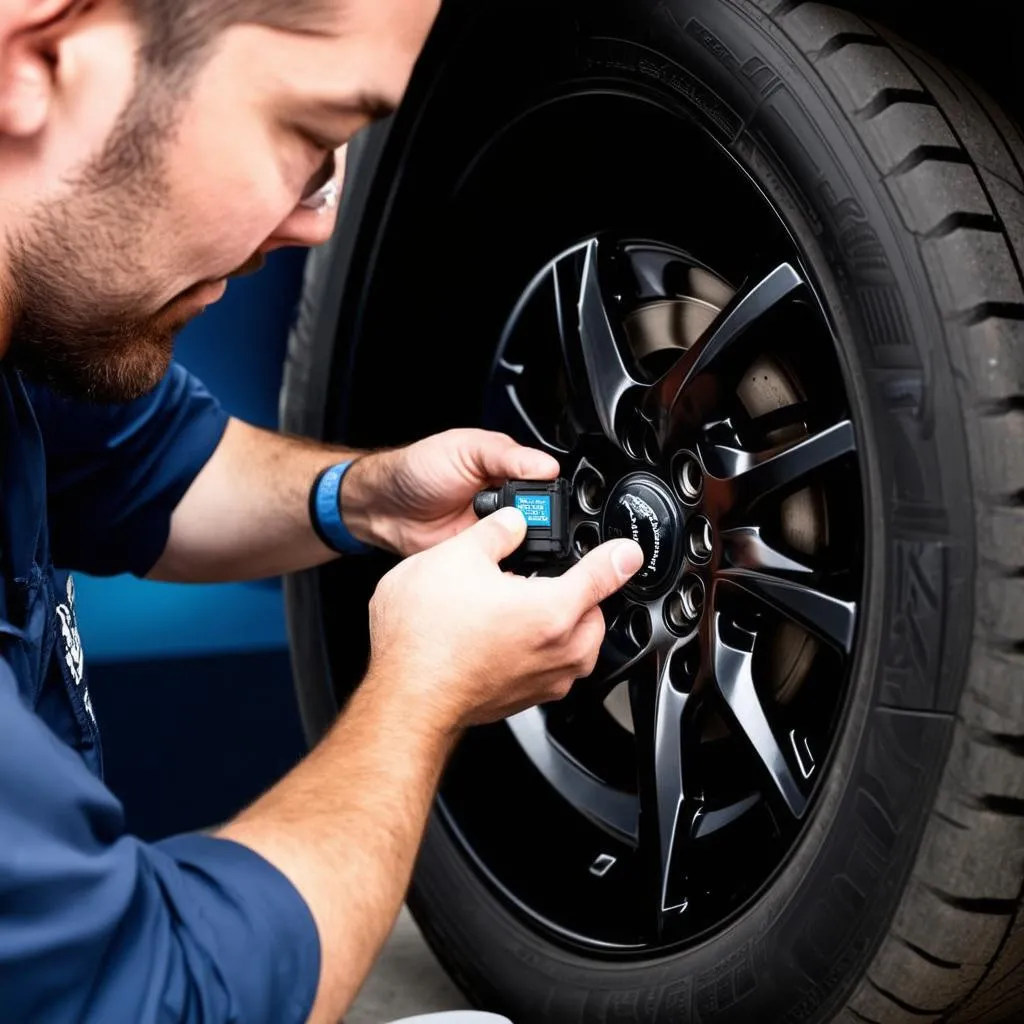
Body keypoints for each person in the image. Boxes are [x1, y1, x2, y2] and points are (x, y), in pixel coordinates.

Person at [0, 1, 645, 1022]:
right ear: (35, 56)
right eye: (306, 130)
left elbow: (145, 467)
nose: (319, 218)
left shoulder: (31, 324)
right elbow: (153, 1001)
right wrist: (419, 693)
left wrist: (365, 497)